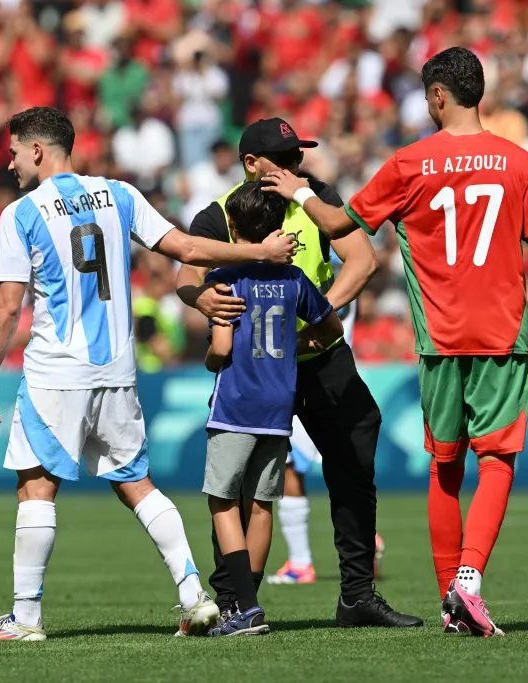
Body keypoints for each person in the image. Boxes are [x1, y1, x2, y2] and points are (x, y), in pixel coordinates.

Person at [263, 47, 528, 637]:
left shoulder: (410, 163)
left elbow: (337, 226)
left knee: (445, 464)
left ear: (438, 95)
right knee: (497, 459)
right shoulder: (519, 163)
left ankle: (449, 598)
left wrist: (295, 189)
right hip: (499, 335)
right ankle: (468, 583)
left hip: (438, 339)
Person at [0, 107, 296, 641]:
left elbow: (7, 305)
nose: (8, 164)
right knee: (136, 483)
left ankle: (25, 619)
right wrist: (258, 252)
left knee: (35, 488)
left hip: (57, 371)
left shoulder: (21, 214)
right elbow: (186, 248)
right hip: (118, 370)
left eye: (11, 152)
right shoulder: (118, 194)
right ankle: (193, 596)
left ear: (37, 150)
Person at [176, 117, 421, 628]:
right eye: (284, 159)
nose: (294, 167)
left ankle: (356, 594)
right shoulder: (224, 213)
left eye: (298, 157)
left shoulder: (317, 197)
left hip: (320, 360)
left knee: (354, 458)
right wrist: (205, 302)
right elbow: (187, 273)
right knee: (242, 486)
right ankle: (235, 602)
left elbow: (361, 261)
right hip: (259, 368)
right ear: (251, 165)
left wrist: (315, 321)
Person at [201, 181, 343, 635]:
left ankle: (242, 606)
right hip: (279, 404)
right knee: (262, 504)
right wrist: (291, 343)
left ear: (232, 226)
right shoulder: (294, 278)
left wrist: (209, 360)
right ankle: (252, 599)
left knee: (223, 501)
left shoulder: (225, 275)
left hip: (236, 402)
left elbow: (221, 347)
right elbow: (331, 329)